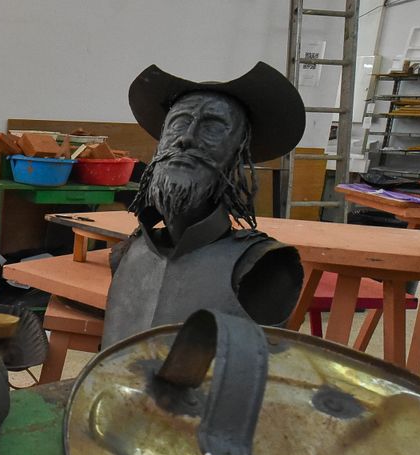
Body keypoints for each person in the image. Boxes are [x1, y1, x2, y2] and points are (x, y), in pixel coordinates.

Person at [101, 62, 306, 347]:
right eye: (179, 123)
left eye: (212, 128)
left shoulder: (262, 264)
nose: (186, 138)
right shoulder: (128, 252)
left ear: (237, 152)